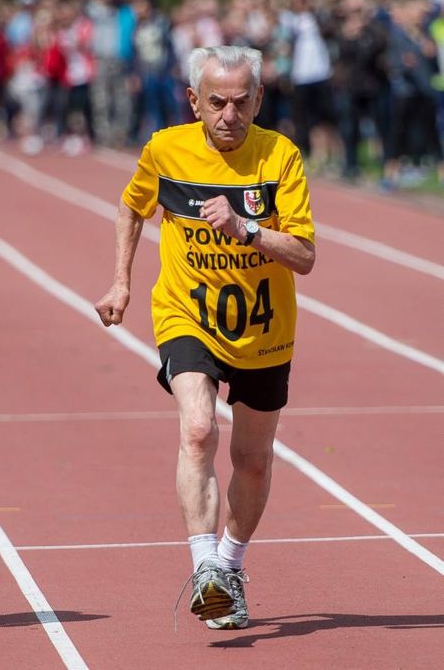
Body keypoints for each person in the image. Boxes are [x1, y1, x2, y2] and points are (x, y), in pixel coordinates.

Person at [95, 45, 315, 630]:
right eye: (216, 102)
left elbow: (305, 256)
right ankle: (204, 570)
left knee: (253, 459)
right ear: (194, 101)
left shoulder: (280, 157)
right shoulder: (166, 150)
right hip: (187, 315)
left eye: (242, 102)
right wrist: (121, 282)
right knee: (198, 429)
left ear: (259, 100)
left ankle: (230, 566)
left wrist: (247, 229)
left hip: (265, 330)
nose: (229, 114)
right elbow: (131, 207)